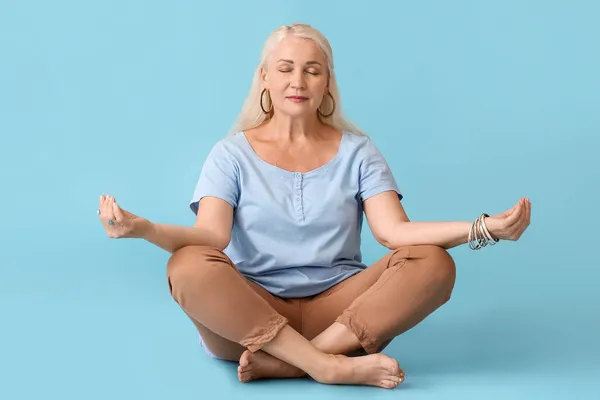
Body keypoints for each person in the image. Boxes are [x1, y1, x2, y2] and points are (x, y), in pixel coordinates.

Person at [97, 23, 531, 389]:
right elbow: (212, 237)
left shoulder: (358, 151)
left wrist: (483, 228)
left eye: (312, 71)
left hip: (342, 319)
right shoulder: (230, 154)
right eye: (285, 69)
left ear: (328, 82)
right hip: (249, 322)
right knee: (187, 264)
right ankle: (325, 366)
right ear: (264, 78)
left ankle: (295, 363)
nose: (298, 82)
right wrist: (144, 229)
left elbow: (393, 233)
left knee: (434, 262)